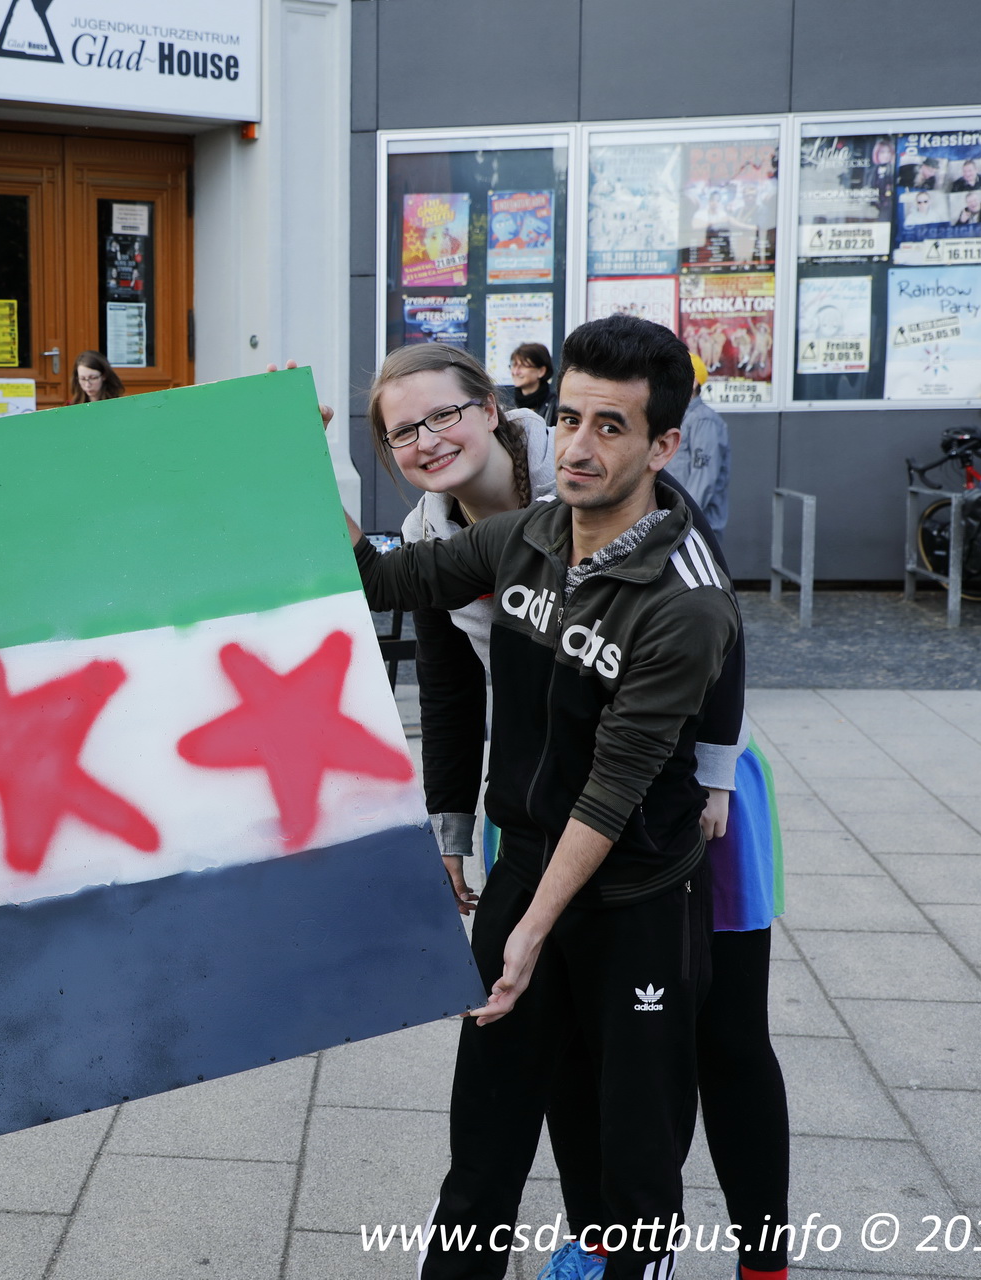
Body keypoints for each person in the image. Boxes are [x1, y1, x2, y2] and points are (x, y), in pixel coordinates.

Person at [349, 315, 738, 1280]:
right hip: (526, 867)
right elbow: (383, 580)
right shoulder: (527, 534)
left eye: (611, 426)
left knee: (632, 1167)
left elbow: (614, 787)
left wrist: (532, 931)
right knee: (481, 1152)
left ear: (663, 445)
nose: (577, 447)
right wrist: (296, 456)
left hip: (635, 896)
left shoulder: (687, 600)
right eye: (567, 419)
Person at [666, 352, 731, 536]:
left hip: (695, 529)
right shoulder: (679, 418)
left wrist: (680, 519)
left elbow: (703, 478)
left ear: (693, 382)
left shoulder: (704, 420)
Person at [507, 342, 554, 417]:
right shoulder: (508, 408)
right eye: (514, 366)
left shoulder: (556, 407)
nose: (515, 372)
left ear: (541, 371)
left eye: (523, 366)